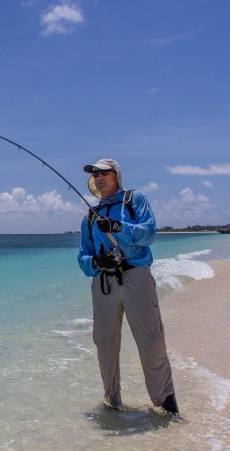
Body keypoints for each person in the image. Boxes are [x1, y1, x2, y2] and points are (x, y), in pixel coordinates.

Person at [76, 158, 179, 415]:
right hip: (103, 283)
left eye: (103, 173)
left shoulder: (135, 200)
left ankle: (166, 404)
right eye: (95, 174)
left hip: (136, 277)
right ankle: (112, 401)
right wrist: (97, 261)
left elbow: (149, 233)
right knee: (104, 344)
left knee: (151, 339)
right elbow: (82, 258)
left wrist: (117, 227)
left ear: (116, 175)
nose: (98, 177)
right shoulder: (89, 216)